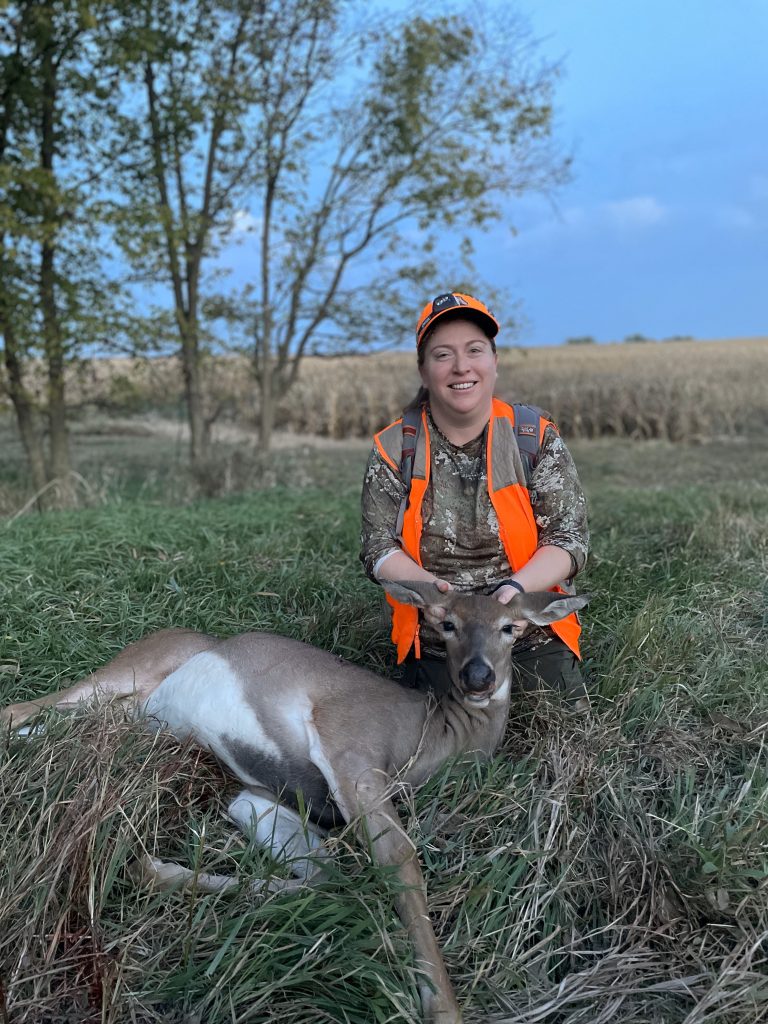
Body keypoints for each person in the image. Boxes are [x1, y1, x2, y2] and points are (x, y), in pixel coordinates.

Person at [360, 291, 589, 702]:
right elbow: (376, 548)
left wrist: (517, 591)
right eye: (443, 355)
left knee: (553, 714)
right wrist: (433, 595)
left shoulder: (531, 437)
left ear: (494, 362)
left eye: (474, 350)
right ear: (424, 370)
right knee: (437, 742)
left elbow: (569, 541)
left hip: (526, 634)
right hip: (440, 638)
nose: (461, 366)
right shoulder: (395, 447)